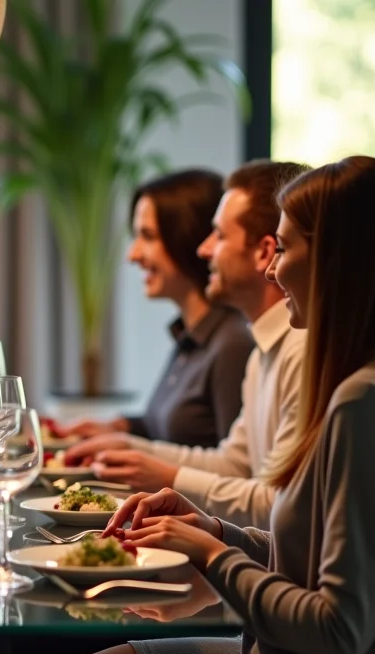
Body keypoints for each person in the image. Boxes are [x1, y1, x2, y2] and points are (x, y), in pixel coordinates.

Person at [8, 156, 375, 654]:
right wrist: (217, 531)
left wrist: (212, 556)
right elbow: (329, 567)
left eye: (283, 248)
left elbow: (336, 631)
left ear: (339, 258)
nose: (274, 269)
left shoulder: (367, 404)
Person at [66, 160, 312, 527]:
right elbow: (235, 463)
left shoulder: (292, 350)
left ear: (264, 252)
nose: (204, 249)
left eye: (219, 235)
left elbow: (282, 507)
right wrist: (131, 449)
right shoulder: (262, 349)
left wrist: (167, 476)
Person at [56, 169, 252, 447]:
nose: (133, 254)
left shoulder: (231, 345)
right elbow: (167, 428)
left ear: (188, 237)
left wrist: (128, 445)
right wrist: (117, 426)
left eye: (147, 236)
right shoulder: (191, 336)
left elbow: (234, 471)